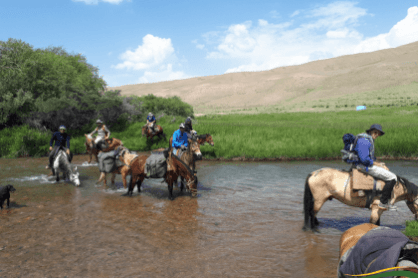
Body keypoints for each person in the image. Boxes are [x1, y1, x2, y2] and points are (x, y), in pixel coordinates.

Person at [353, 124, 397, 210]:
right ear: (370, 131)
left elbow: (370, 158)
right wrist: (378, 164)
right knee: (392, 177)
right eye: (375, 132)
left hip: (364, 164)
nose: (377, 135)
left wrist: (381, 164)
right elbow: (364, 159)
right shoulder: (364, 140)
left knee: (384, 170)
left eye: (378, 133)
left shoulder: (367, 139)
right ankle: (383, 203)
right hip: (363, 166)